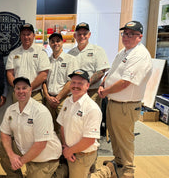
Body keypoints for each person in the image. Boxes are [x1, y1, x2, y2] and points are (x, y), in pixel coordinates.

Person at [98, 21, 152, 178]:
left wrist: (106, 91)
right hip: (114, 102)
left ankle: (127, 172)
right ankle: (118, 164)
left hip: (125, 106)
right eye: (124, 33)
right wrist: (103, 82)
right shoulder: (124, 51)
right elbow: (112, 71)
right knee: (115, 137)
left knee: (125, 141)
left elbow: (125, 82)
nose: (126, 37)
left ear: (139, 37)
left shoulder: (139, 55)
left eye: (131, 34)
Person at [0, 77, 62, 178]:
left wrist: (20, 161)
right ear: (14, 91)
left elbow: (41, 144)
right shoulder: (11, 110)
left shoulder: (40, 112)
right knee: (0, 144)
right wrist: (11, 155)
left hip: (45, 157)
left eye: (24, 88)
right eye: (18, 88)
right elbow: (5, 133)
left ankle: (63, 169)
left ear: (30, 90)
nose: (21, 91)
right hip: (24, 150)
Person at [57, 69, 119, 178]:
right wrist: (66, 147)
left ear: (87, 86)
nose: (76, 86)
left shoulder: (92, 108)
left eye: (80, 83)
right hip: (69, 150)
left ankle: (107, 171)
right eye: (73, 82)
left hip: (83, 154)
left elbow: (89, 139)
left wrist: (69, 151)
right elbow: (62, 126)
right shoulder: (67, 102)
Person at [43, 32, 78, 134]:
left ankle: (65, 150)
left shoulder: (70, 60)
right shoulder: (46, 61)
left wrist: (57, 98)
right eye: (52, 41)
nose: (55, 44)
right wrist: (48, 97)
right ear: (49, 44)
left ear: (62, 42)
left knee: (65, 130)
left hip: (63, 100)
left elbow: (71, 81)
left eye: (58, 41)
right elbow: (43, 81)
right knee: (49, 130)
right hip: (49, 100)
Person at [6, 23, 50, 103]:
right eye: (23, 34)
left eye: (28, 34)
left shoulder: (41, 52)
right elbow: (9, 74)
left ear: (33, 35)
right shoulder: (13, 53)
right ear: (20, 36)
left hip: (35, 95)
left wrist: (29, 88)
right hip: (18, 95)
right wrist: (19, 89)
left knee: (36, 115)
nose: (26, 37)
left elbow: (44, 74)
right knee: (17, 115)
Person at [68, 22, 110, 105]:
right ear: (74, 36)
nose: (82, 36)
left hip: (92, 92)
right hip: (75, 92)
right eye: (79, 34)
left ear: (89, 34)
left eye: (85, 34)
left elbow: (101, 71)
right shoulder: (70, 53)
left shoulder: (97, 50)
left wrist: (85, 86)